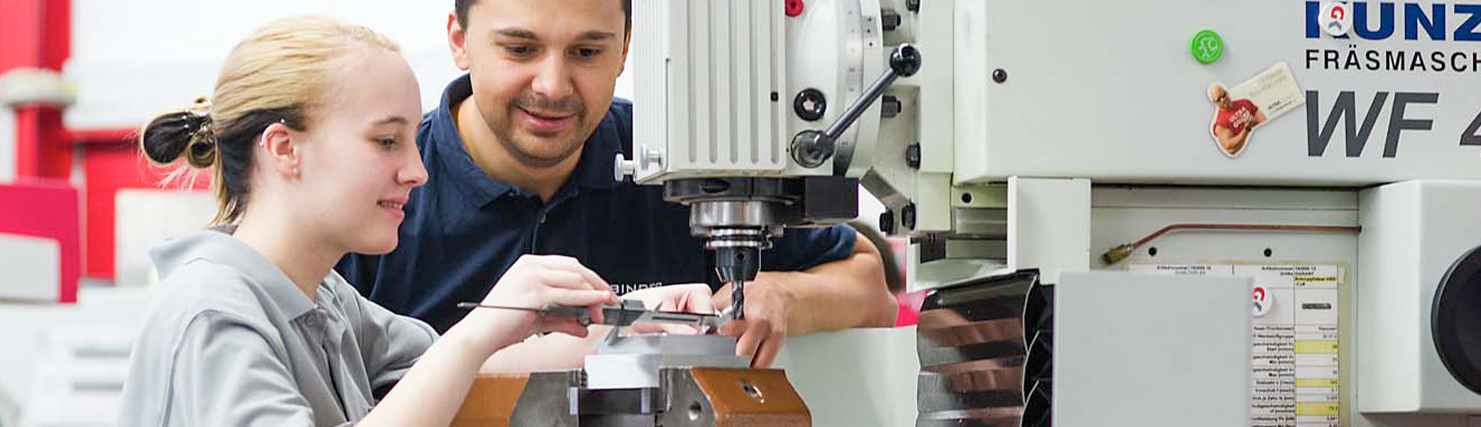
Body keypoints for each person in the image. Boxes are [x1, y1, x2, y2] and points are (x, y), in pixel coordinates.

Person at [117, 16, 710, 427]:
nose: (418, 170)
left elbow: (461, 364)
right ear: (283, 148)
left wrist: (639, 321)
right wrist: (480, 330)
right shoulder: (214, 314)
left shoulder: (326, 301)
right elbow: (466, 349)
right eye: (386, 142)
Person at [336, 0, 897, 369]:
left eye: (586, 52)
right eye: (520, 49)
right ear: (459, 39)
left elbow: (870, 287)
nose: (553, 86)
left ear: (627, 47)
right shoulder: (385, 190)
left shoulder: (682, 157)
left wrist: (782, 297)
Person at [1208, 84, 1263, 157]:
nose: (1223, 99)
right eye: (1218, 99)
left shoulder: (1244, 102)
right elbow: (1230, 148)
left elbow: (1262, 120)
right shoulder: (1220, 124)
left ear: (1227, 92)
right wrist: (1246, 129)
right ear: (1214, 103)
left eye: (1224, 95)